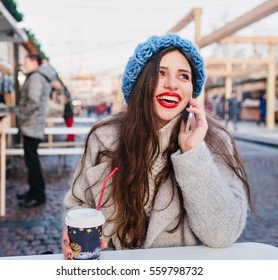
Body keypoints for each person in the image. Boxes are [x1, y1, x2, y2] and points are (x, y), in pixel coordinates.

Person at [61, 34, 254, 259]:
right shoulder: (104, 137)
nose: (172, 84)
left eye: (184, 76)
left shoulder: (214, 140)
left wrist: (193, 153)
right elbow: (79, 203)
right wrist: (72, 235)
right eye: (160, 73)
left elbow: (222, 234)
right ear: (140, 83)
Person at [17, 53, 56, 207]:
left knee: (32, 162)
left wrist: (21, 117)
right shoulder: (39, 76)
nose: (24, 65)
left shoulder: (35, 77)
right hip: (34, 124)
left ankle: (38, 194)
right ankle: (34, 191)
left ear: (34, 62)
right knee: (31, 161)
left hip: (31, 125)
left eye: (26, 62)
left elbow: (32, 101)